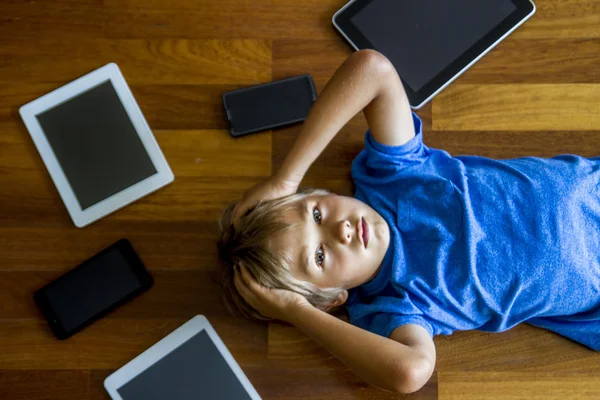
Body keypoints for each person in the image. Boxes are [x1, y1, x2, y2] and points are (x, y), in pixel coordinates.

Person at [216, 49, 600, 394]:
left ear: (321, 194)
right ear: (333, 298)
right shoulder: (394, 305)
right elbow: (410, 372)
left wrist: (286, 178)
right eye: (318, 257)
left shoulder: (391, 175)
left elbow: (373, 69)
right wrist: (294, 311)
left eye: (316, 213)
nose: (340, 230)